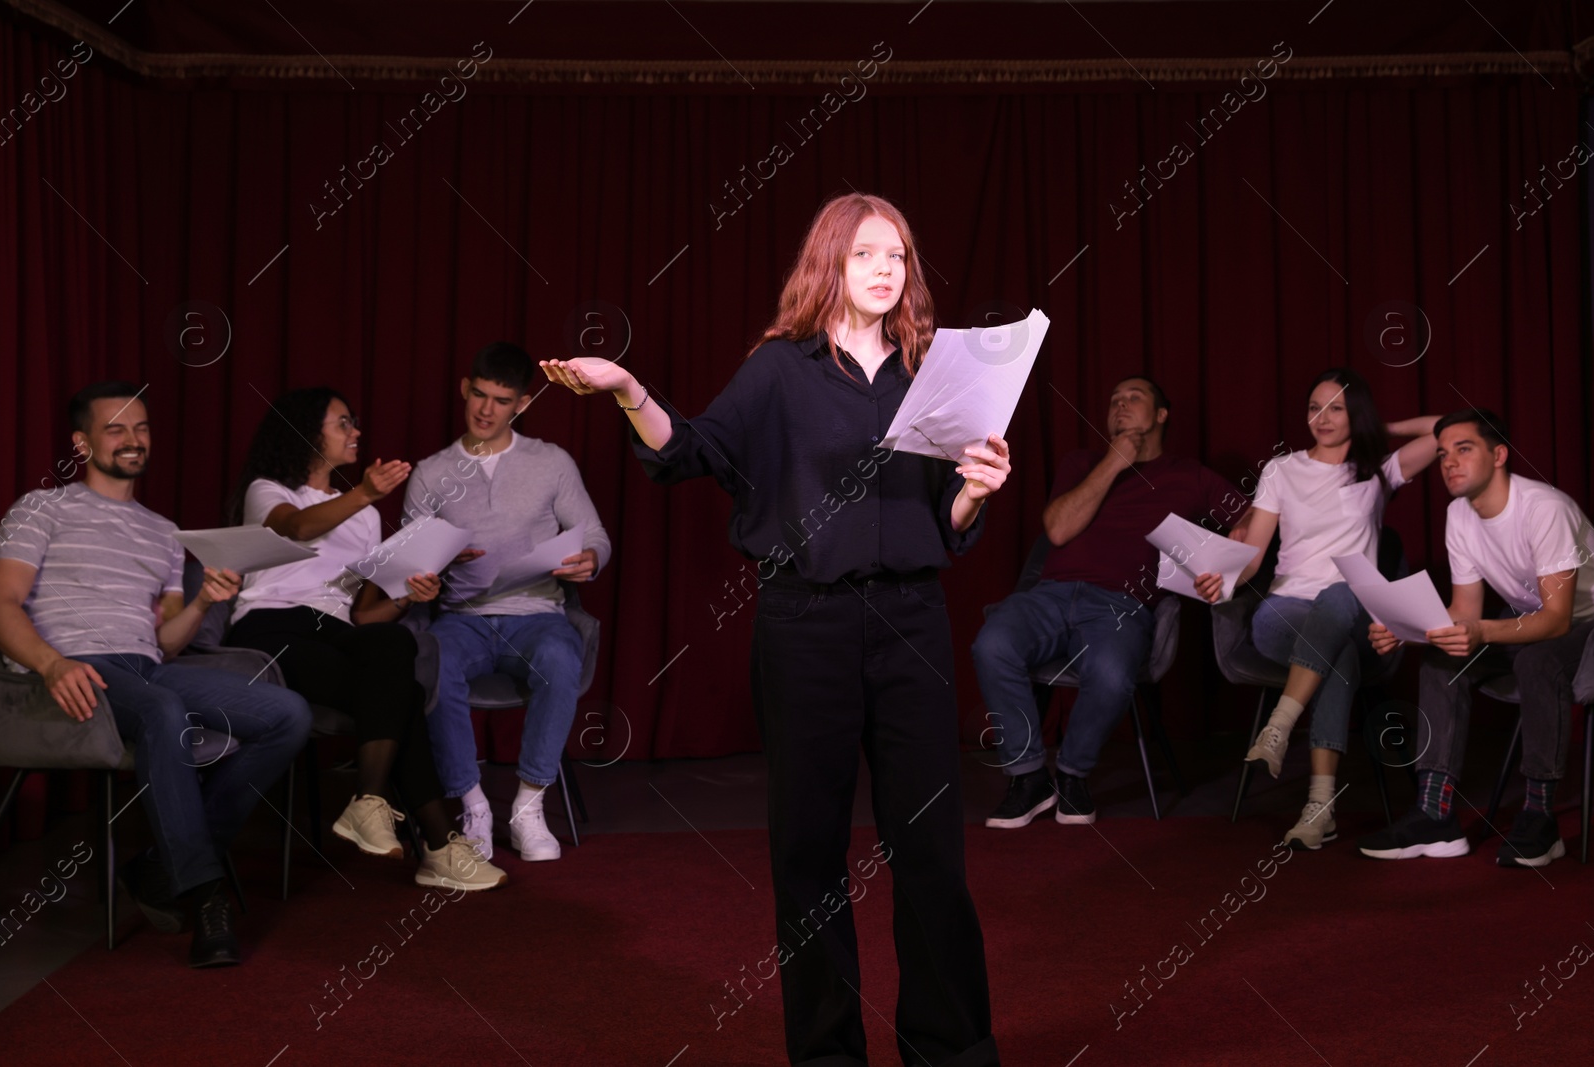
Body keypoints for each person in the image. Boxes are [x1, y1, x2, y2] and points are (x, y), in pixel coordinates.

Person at [542, 193, 1007, 1067]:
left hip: (913, 623)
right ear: (828, 260)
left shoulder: (931, 372)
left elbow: (946, 519)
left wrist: (974, 490)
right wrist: (628, 389)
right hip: (807, 626)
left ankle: (951, 1051)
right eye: (867, 252)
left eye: (899, 256)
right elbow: (689, 452)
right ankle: (828, 1055)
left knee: (933, 853)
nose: (885, 269)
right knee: (809, 855)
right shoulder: (778, 369)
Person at [0, 381, 312, 967]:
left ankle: (162, 867)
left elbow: (164, 643)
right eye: (115, 428)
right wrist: (51, 662)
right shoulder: (42, 507)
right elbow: (2, 604)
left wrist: (201, 602)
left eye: (141, 428)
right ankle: (206, 895)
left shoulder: (164, 532)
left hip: (144, 668)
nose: (132, 439)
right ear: (82, 441)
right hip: (72, 668)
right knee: (164, 712)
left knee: (286, 713)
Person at [224, 387, 506, 891]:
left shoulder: (368, 516)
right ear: (308, 434)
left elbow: (365, 615)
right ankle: (437, 845)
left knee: (395, 656)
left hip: (336, 633)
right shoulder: (269, 491)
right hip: (272, 625)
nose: (356, 432)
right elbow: (297, 527)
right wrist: (366, 493)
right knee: (407, 692)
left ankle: (370, 801)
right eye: (343, 424)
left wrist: (412, 593)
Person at [972, 376, 1243, 829]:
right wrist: (1113, 464)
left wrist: (1234, 545)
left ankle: (1074, 775)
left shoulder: (1188, 475)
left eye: (1134, 398)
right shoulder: (1083, 462)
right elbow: (1057, 530)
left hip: (1121, 604)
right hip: (1050, 595)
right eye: (1114, 399)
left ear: (1161, 415)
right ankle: (1028, 777)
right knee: (991, 645)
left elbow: (1254, 515)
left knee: (1113, 675)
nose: (1120, 404)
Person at [1357, 409, 1594, 868]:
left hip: (1587, 623)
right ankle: (1435, 814)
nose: (1448, 462)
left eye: (1464, 450)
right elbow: (1463, 613)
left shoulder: (1543, 508)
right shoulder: (1458, 515)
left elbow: (1558, 619)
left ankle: (1540, 817)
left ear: (1500, 454)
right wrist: (1405, 632)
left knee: (1536, 661)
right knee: (1442, 661)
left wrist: (1482, 630)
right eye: (1443, 454)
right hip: (1531, 620)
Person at [403, 342, 611, 863]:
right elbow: (409, 561)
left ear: (521, 403)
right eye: (478, 395)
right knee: (433, 661)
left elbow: (597, 536)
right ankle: (472, 804)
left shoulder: (551, 462)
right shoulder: (430, 472)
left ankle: (528, 805)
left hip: (536, 615)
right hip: (462, 618)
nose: (485, 410)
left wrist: (590, 558)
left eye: (500, 400)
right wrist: (425, 576)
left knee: (562, 657)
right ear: (464, 389)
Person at [1228, 369, 1438, 849]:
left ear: (1356, 413)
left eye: (1336, 408)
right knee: (1335, 652)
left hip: (1359, 614)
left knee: (1342, 595)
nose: (1321, 418)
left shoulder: (1378, 470)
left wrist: (1379, 429)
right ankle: (1319, 808)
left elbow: (1451, 428)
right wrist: (1219, 576)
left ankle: (1279, 725)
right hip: (1284, 611)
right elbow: (1254, 556)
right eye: (1314, 408)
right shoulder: (1281, 470)